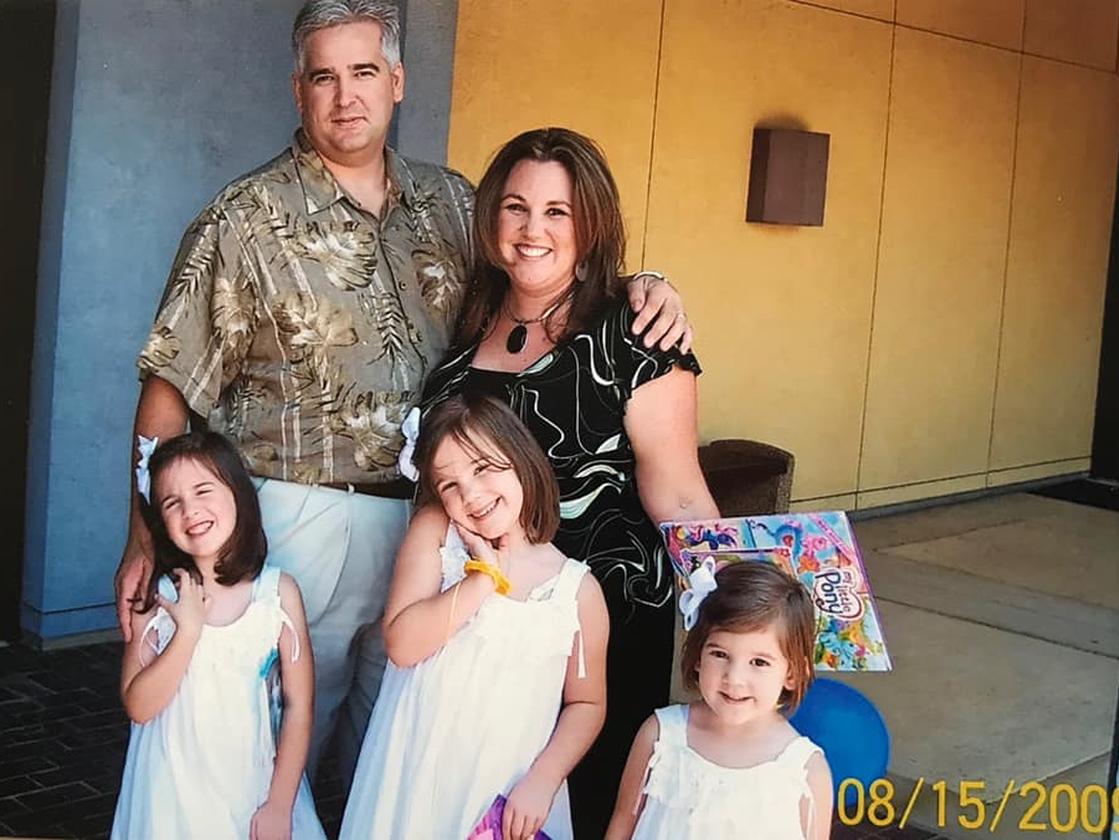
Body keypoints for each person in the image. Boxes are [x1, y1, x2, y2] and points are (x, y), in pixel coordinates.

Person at [114, 0, 691, 783]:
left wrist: (642, 284)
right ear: (298, 91)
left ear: (396, 81)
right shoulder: (243, 219)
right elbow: (169, 388)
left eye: (363, 72)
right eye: (324, 77)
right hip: (303, 515)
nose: (345, 96)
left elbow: (542, 266)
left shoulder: (450, 204)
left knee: (396, 746)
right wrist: (144, 539)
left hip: (436, 523)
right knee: (267, 740)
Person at [419, 126, 719, 836]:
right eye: (516, 207)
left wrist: (736, 609)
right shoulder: (468, 319)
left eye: (558, 211)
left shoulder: (635, 336)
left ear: (591, 225)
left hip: (599, 629)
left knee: (580, 809)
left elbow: (679, 494)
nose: (533, 230)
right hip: (479, 628)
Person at [339, 393, 609, 840]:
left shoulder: (575, 590)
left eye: (482, 468)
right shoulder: (437, 534)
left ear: (520, 458)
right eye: (450, 485)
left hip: (505, 793)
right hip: (416, 779)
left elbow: (587, 703)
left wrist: (544, 780)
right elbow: (402, 645)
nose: (471, 494)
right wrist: (482, 579)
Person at [111, 431, 324, 840]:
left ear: (238, 494)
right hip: (171, 793)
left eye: (203, 490)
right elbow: (139, 706)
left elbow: (299, 705)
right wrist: (187, 632)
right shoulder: (157, 597)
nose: (190, 510)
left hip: (251, 786)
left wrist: (280, 806)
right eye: (171, 502)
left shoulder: (277, 593)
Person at [604, 562, 833, 840]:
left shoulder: (804, 772)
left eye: (759, 662)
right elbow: (623, 823)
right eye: (720, 655)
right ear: (698, 656)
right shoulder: (661, 737)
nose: (734, 678)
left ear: (792, 674)